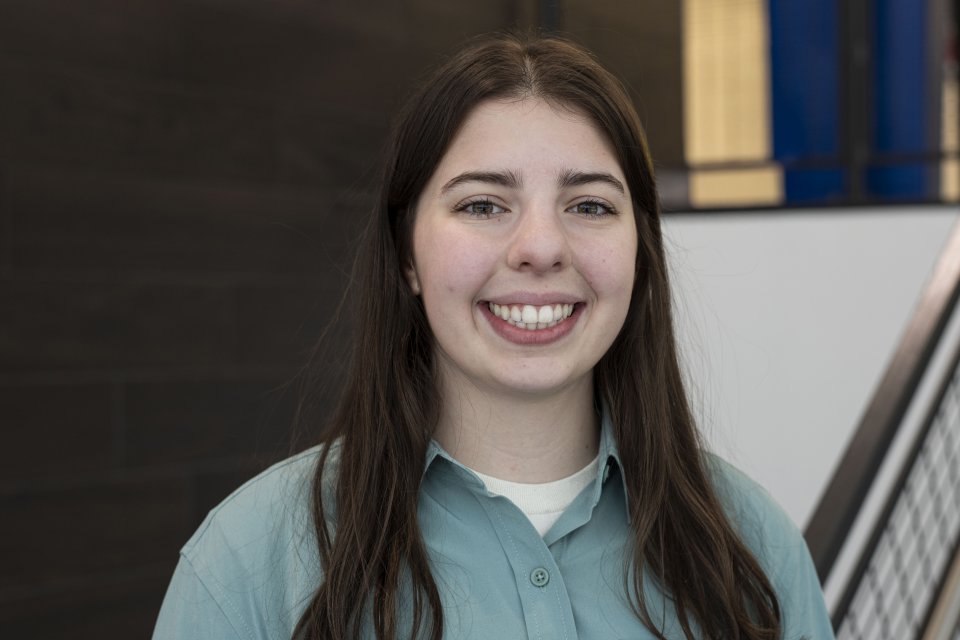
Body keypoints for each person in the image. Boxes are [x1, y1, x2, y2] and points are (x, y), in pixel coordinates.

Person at [153, 33, 835, 640]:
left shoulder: (752, 546)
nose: (540, 246)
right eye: (483, 204)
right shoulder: (249, 560)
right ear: (407, 257)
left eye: (590, 205)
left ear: (641, 253)